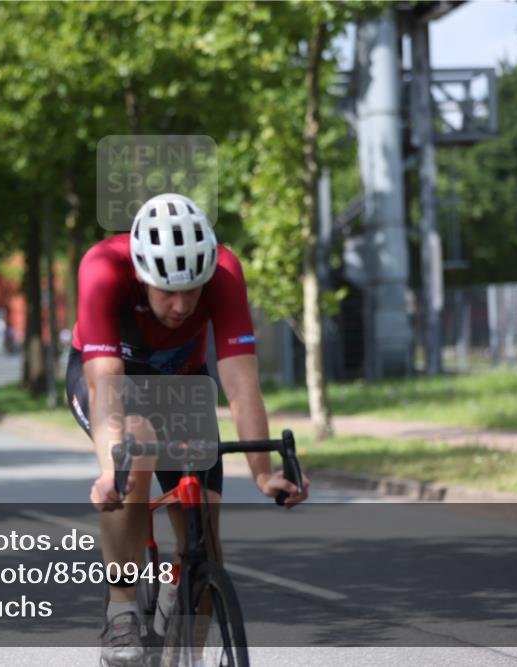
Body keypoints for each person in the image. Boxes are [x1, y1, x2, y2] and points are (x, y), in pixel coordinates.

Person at [65, 193, 309, 666]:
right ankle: (121, 612)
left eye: (192, 291)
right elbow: (105, 385)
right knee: (135, 449)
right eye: (166, 292)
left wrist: (262, 473)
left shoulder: (224, 272)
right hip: (114, 381)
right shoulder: (101, 267)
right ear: (140, 274)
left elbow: (240, 381)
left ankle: (188, 648)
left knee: (205, 544)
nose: (181, 306)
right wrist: (110, 470)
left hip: (184, 386)